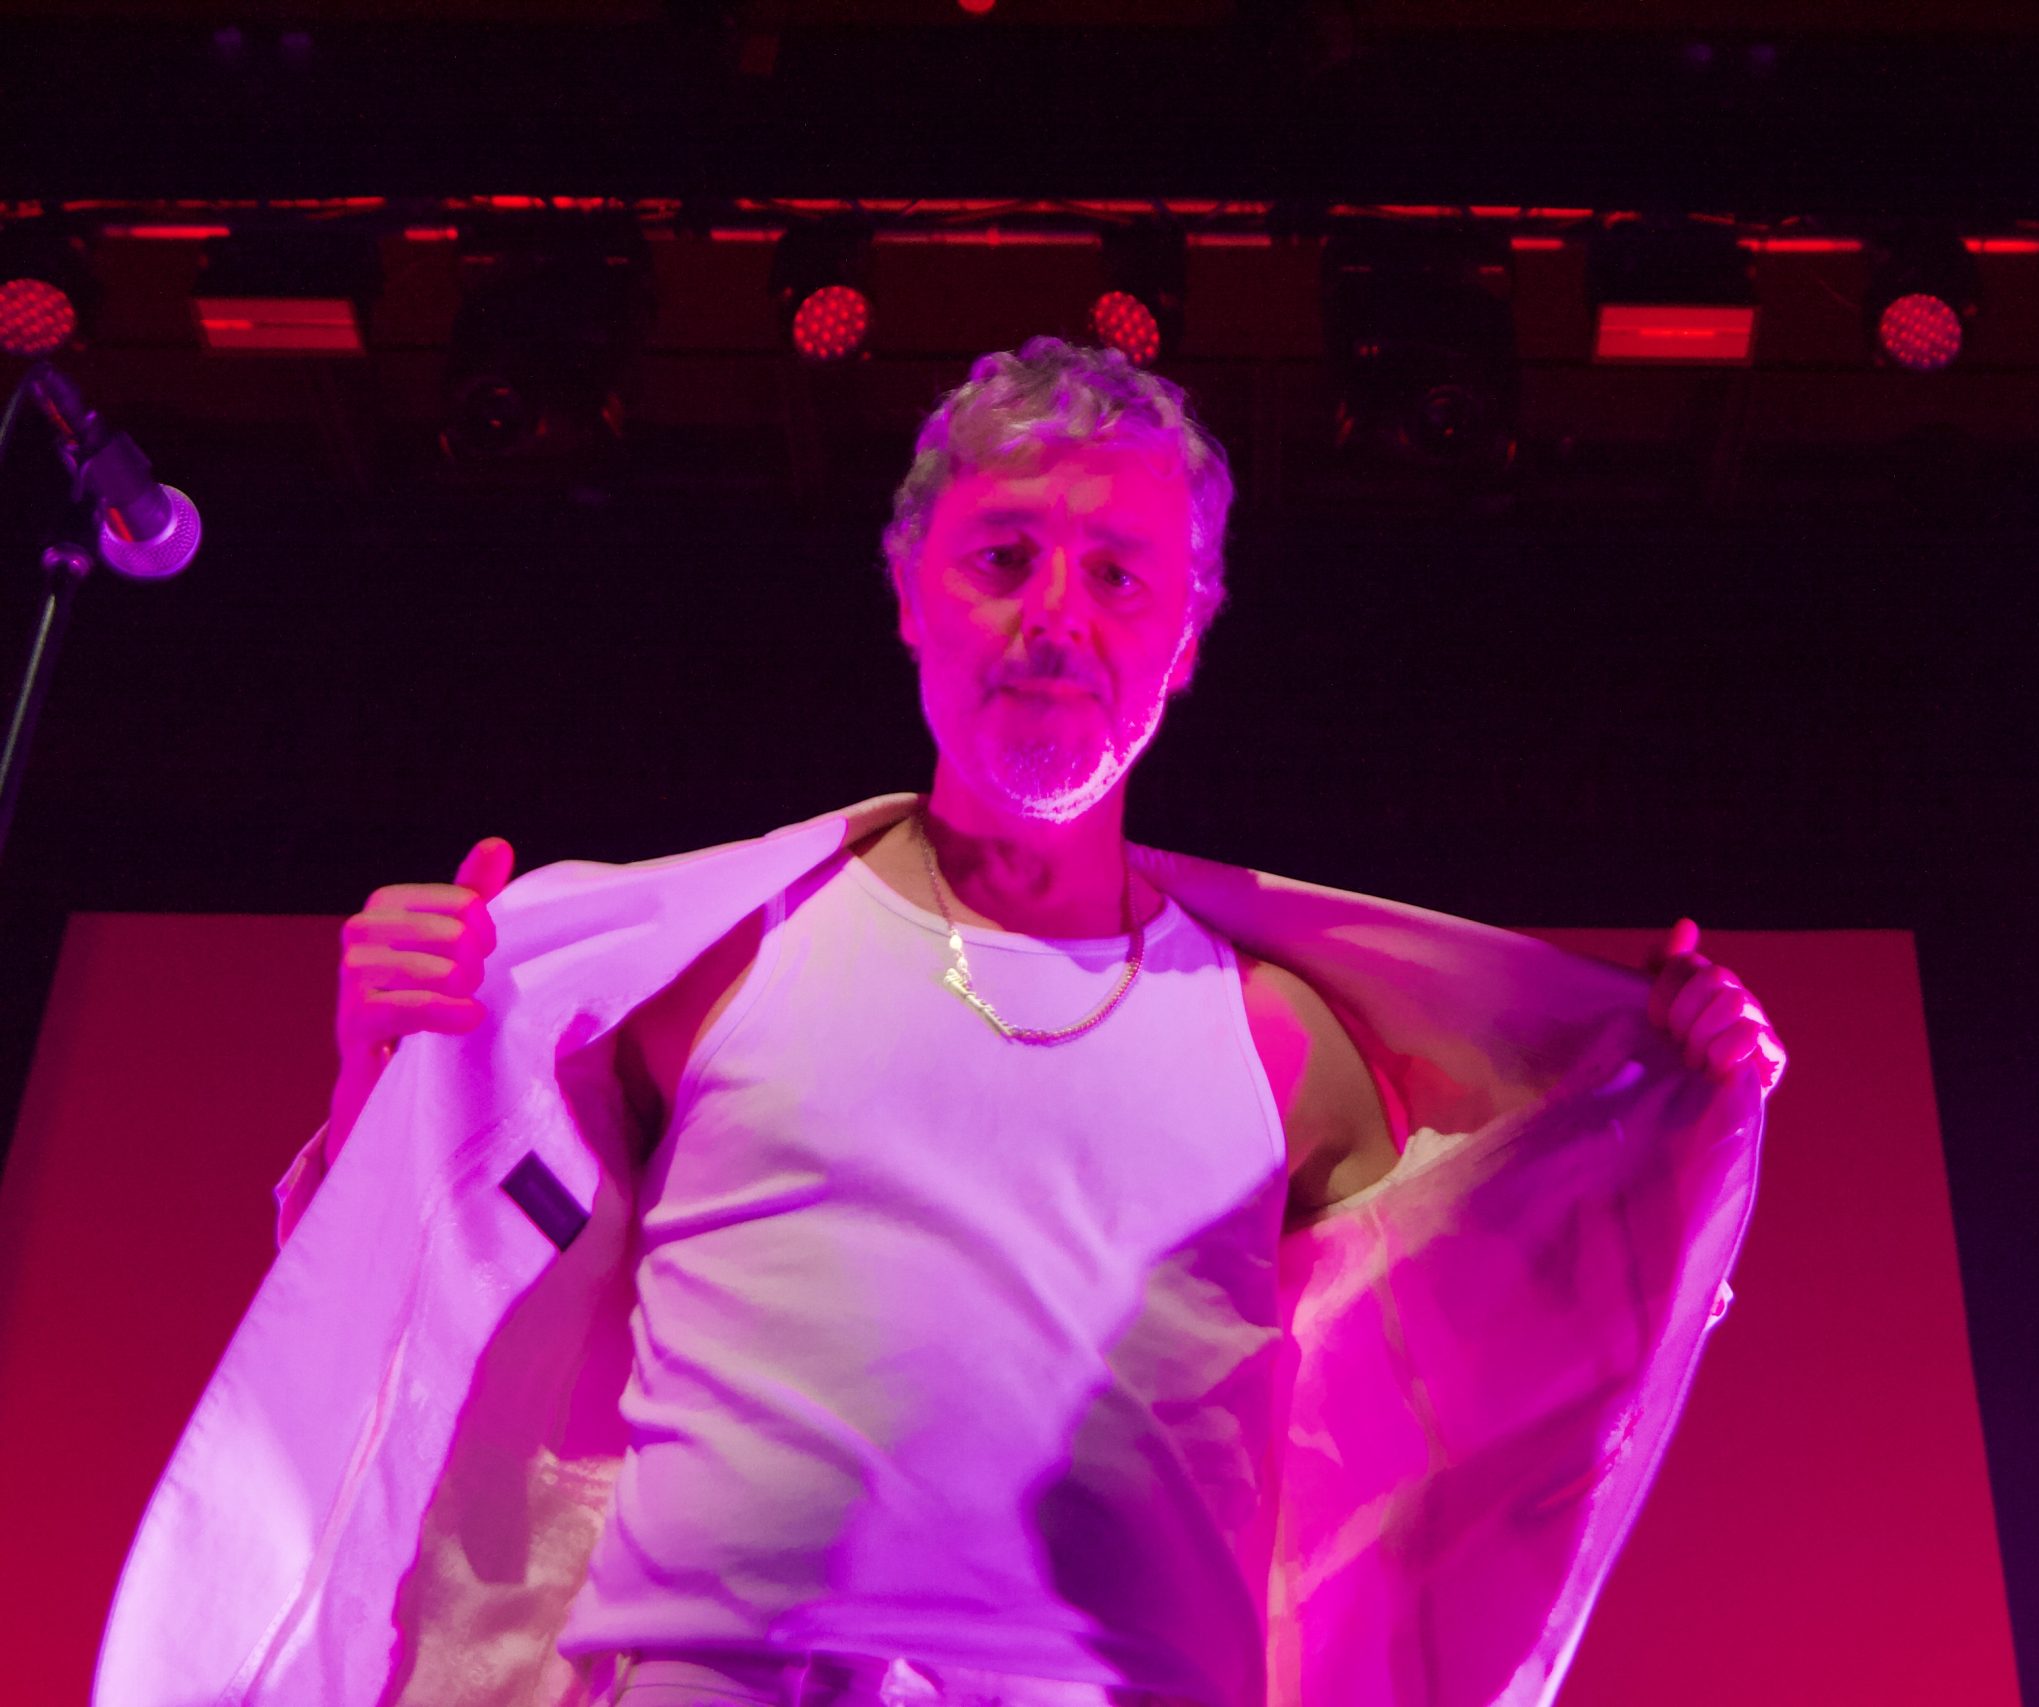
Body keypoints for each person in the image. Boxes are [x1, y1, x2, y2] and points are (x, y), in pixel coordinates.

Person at [95, 338, 1784, 1707]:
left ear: (1187, 638)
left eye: (1119, 573)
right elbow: (425, 1297)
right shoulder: (716, 961)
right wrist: (385, 1065)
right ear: (911, 595)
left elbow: (1504, 1346)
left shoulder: (1283, 1044)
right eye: (1003, 557)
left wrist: (1682, 1118)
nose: (1057, 613)